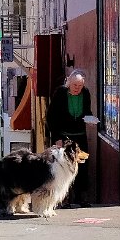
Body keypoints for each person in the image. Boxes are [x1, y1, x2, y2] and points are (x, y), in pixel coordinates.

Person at [47, 69, 93, 208]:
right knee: (62, 167)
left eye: (80, 86)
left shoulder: (85, 93)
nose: (77, 88)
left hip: (80, 135)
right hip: (63, 136)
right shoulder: (60, 93)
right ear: (69, 83)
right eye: (75, 85)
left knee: (82, 166)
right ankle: (64, 199)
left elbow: (87, 111)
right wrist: (57, 137)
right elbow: (51, 116)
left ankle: (82, 197)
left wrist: (90, 119)